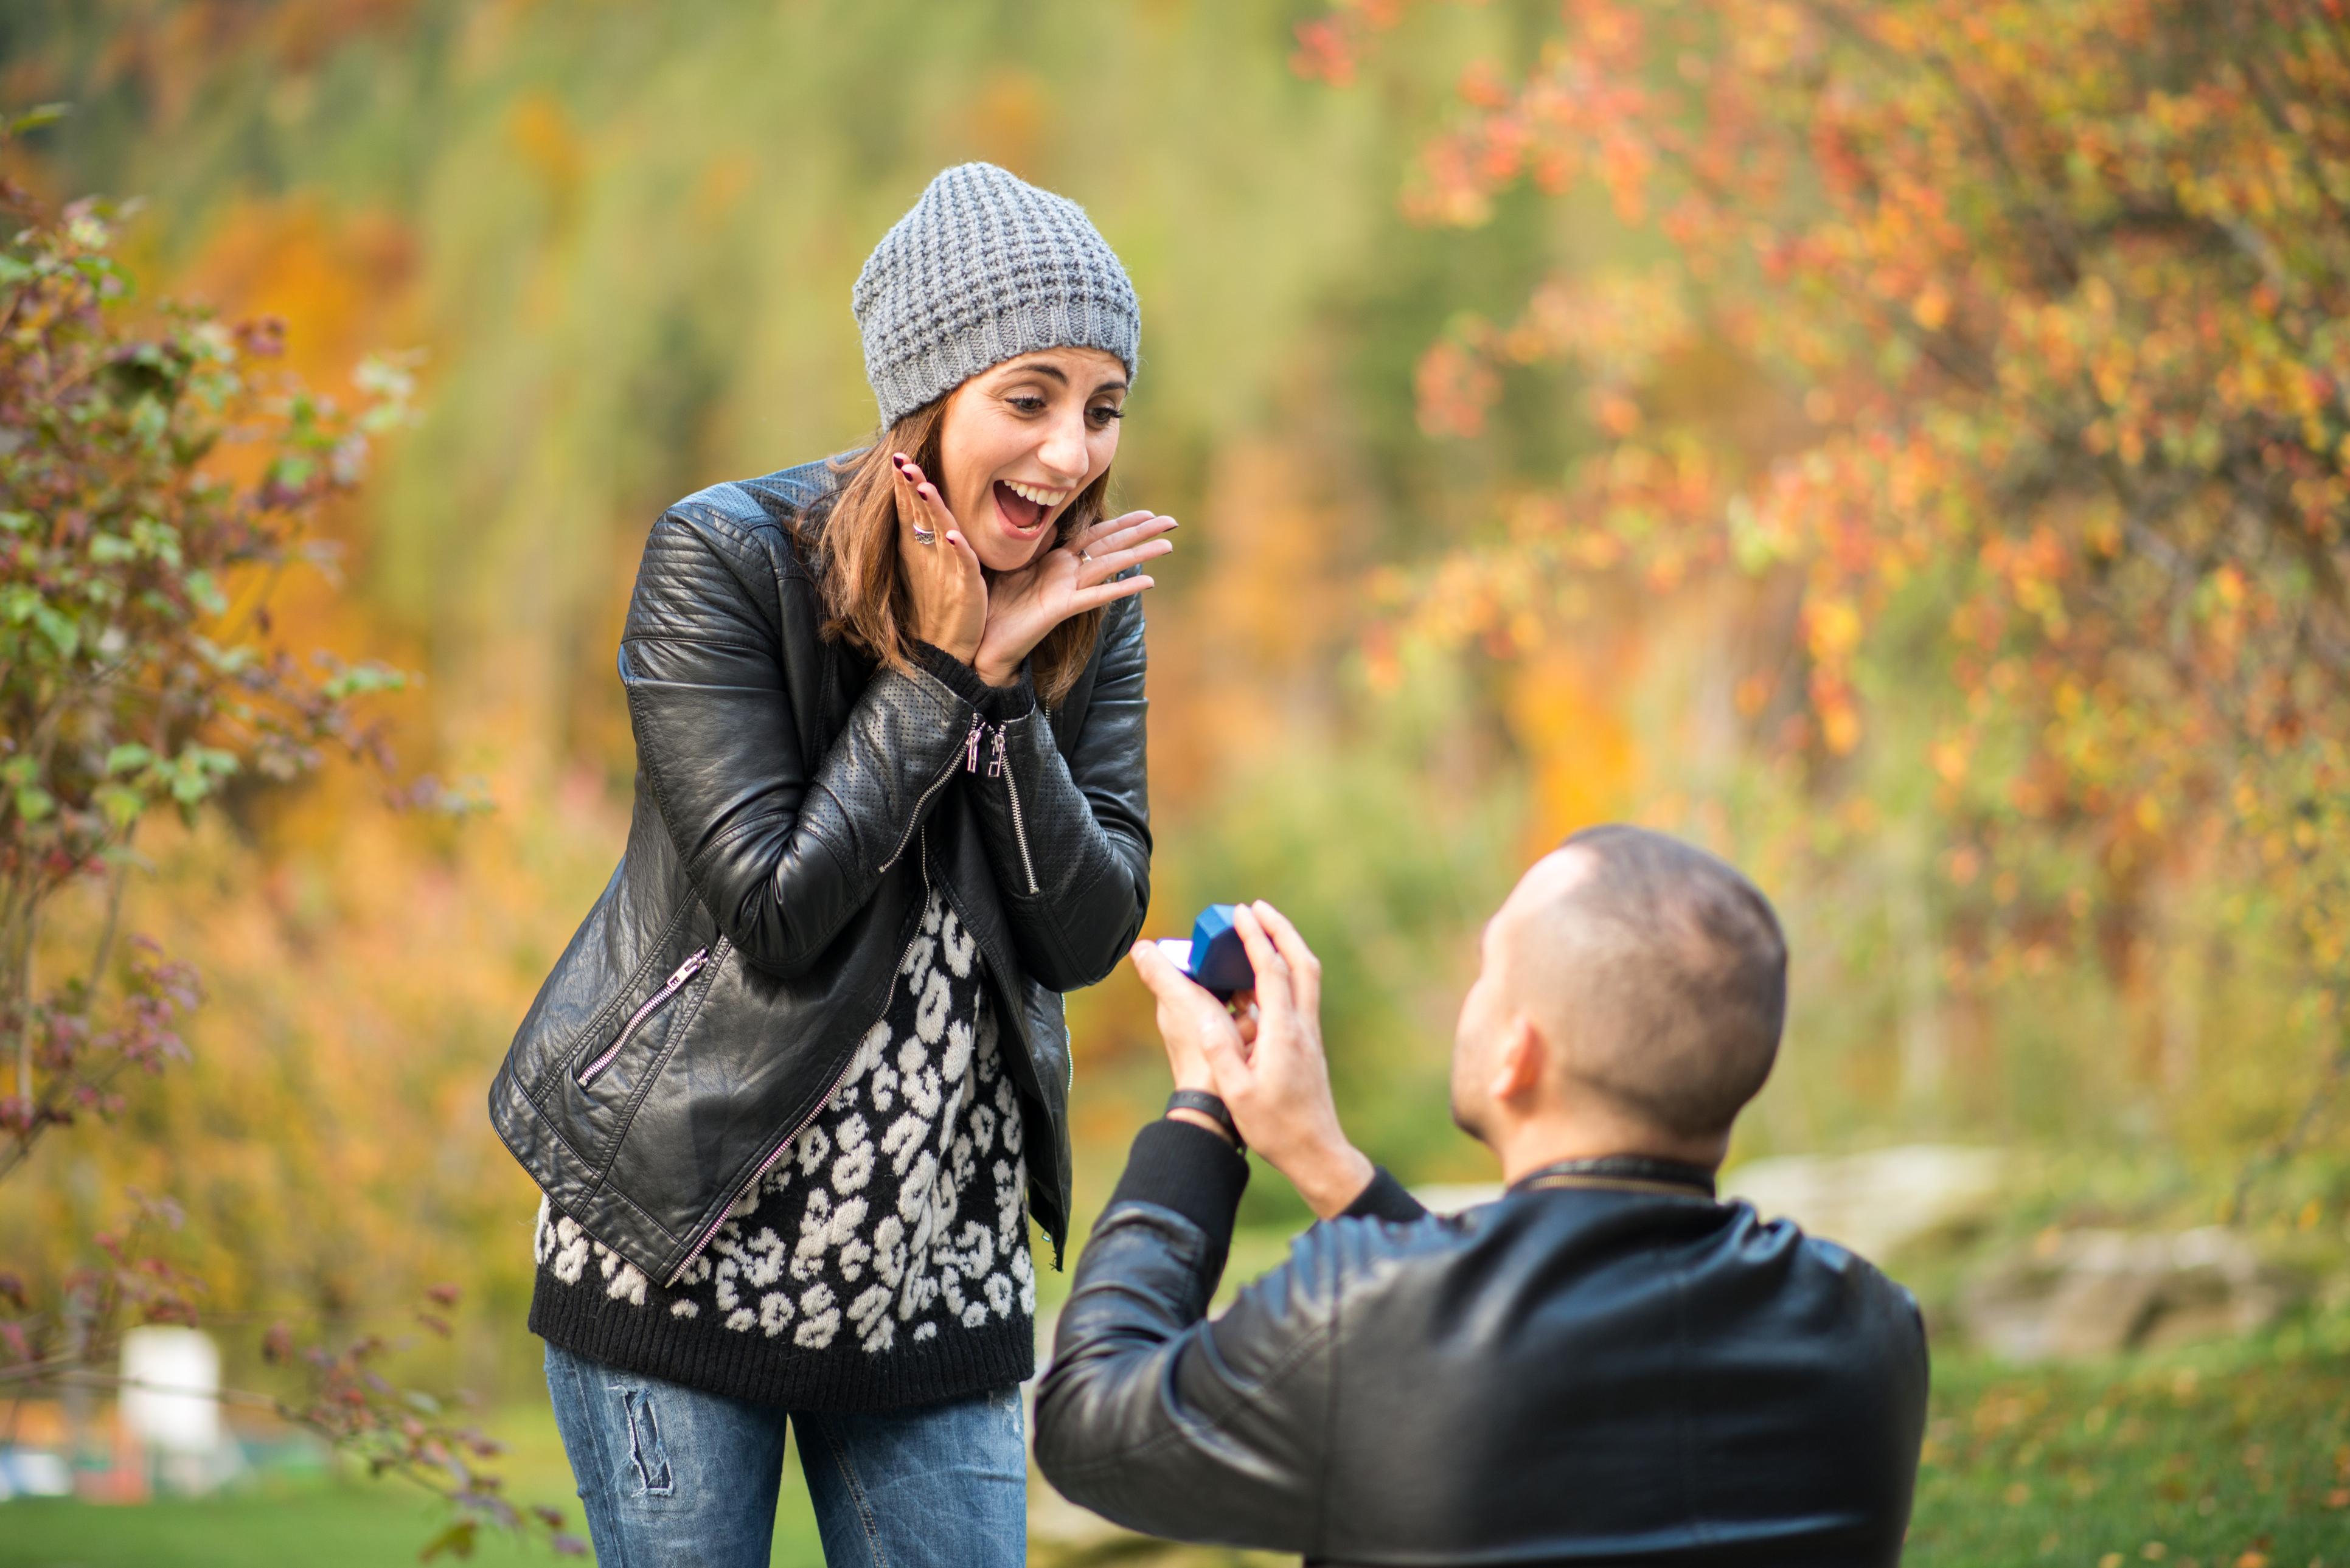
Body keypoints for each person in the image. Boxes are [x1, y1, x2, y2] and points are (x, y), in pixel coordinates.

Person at [487, 162, 1171, 1568]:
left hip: (933, 1271)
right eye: (1029, 399)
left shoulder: (1086, 604)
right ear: (928, 394)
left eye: (1103, 408)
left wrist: (1009, 692)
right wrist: (941, 671)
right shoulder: (728, 561)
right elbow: (780, 908)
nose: (1072, 456)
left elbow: (1087, 931)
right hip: (682, 1242)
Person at [1036, 824, 1929, 1567]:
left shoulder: (1364, 1316)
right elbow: (1509, 1346)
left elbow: (1090, 1422)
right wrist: (1324, 1161)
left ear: (1517, 1053)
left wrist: (1200, 1109)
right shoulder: (1873, 1329)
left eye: (1487, 973)